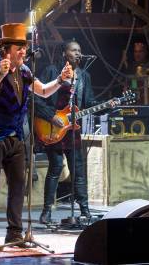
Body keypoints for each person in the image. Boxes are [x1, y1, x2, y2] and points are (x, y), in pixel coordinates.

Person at [0, 23, 73, 251]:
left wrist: (60, 80)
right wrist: (1, 73)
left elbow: (42, 91)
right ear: (5, 50)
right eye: (19, 47)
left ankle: (14, 233)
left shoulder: (25, 72)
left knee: (19, 185)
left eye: (24, 47)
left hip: (16, 136)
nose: (23, 51)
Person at [35, 40, 113, 224]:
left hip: (72, 129)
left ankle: (85, 210)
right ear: (65, 54)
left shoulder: (84, 76)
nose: (78, 53)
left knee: (78, 170)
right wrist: (51, 116)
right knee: (55, 168)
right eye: (74, 50)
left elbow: (88, 104)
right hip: (52, 126)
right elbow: (37, 100)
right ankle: (46, 211)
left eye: (80, 50)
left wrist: (107, 106)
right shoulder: (52, 71)